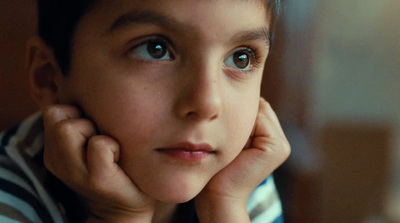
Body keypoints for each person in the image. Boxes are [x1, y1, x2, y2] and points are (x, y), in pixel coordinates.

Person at [0, 0, 290, 222]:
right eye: (155, 49)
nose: (207, 104)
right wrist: (118, 215)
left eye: (241, 58)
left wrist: (225, 206)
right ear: (49, 77)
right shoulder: (8, 192)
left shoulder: (239, 180)